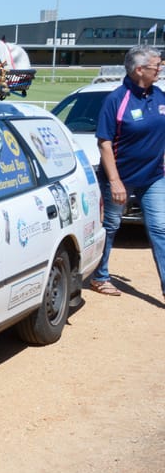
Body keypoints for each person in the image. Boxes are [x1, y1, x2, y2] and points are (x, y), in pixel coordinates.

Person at [89, 45, 165, 301]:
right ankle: (100, 276)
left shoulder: (160, 96)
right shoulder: (116, 100)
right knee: (110, 226)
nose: (160, 68)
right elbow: (104, 143)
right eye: (156, 65)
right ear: (139, 69)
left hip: (154, 177)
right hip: (120, 179)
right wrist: (115, 181)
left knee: (161, 229)